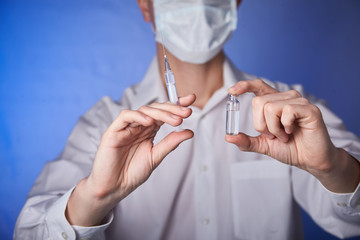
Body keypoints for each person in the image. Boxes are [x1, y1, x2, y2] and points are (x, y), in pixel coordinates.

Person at [14, 0, 360, 239]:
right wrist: (95, 197)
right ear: (145, 5)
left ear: (235, 4)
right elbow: (29, 233)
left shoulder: (290, 111)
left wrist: (333, 168)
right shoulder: (105, 126)